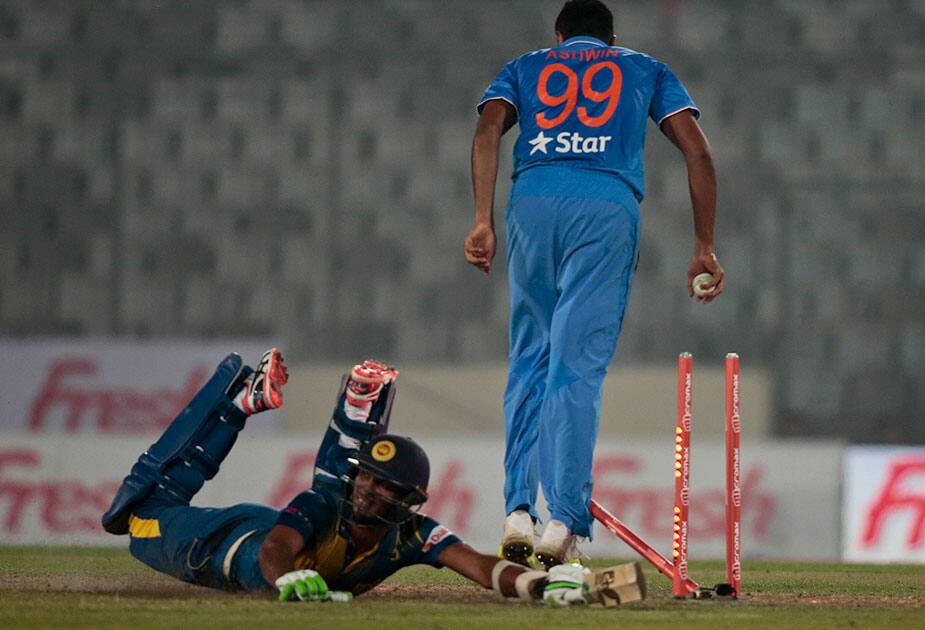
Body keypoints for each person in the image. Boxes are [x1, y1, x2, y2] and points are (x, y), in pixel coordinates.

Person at [464, 0, 724, 568]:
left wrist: (483, 218)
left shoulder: (525, 66)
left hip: (531, 200)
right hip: (603, 205)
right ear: (611, 38)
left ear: (560, 37)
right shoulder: (647, 69)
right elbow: (697, 151)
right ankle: (564, 523)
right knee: (575, 367)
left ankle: (516, 511)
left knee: (530, 358)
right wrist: (703, 244)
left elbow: (488, 130)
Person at [101, 349, 599, 606]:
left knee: (328, 503)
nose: (369, 491)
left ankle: (348, 409)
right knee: (135, 515)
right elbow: (276, 548)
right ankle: (236, 405)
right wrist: (289, 578)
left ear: (409, 500)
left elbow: (480, 566)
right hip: (224, 542)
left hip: (276, 533)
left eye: (385, 487)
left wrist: (537, 585)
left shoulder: (412, 534)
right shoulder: (325, 504)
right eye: (368, 479)